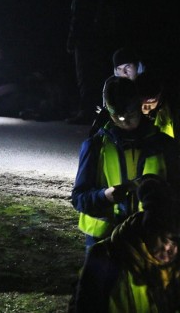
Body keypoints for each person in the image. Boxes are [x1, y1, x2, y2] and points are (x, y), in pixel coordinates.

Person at [71, 76, 180, 249]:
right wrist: (104, 196)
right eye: (117, 116)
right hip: (105, 243)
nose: (125, 121)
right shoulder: (94, 146)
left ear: (139, 106)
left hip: (151, 241)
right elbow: (79, 199)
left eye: (130, 114)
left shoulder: (165, 146)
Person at [72, 177, 180, 312]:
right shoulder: (104, 258)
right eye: (164, 238)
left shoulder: (176, 267)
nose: (169, 248)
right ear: (147, 229)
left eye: (176, 242)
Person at [66, 0, 113, 125]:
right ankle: (94, 110)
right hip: (94, 38)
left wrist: (72, 39)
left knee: (84, 76)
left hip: (84, 39)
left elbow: (78, 17)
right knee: (92, 75)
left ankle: (86, 112)